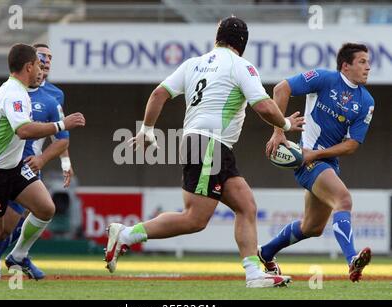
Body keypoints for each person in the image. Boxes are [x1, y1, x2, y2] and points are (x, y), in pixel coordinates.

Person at [104, 16, 304, 288]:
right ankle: (127, 234)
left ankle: (254, 274)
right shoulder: (241, 65)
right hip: (209, 144)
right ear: (242, 44)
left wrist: (148, 129)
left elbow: (157, 94)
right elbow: (264, 106)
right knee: (195, 219)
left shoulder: (193, 64)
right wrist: (287, 124)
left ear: (217, 38)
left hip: (208, 145)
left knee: (246, 206)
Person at [0, 43, 85, 285]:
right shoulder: (14, 94)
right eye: (39, 65)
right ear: (29, 67)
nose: (42, 69)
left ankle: (19, 255)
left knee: (46, 208)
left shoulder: (20, 91)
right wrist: (62, 126)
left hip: (14, 167)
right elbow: (23, 131)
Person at [258, 43, 373, 282]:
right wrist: (279, 131)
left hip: (322, 161)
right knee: (344, 199)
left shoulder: (366, 101)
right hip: (305, 160)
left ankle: (266, 252)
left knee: (312, 227)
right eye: (362, 62)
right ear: (345, 65)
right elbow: (282, 88)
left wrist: (316, 155)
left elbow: (352, 144)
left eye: (368, 62)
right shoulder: (323, 78)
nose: (368, 67)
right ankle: (352, 260)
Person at [34, 43, 75, 186]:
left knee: (40, 207)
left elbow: (58, 132)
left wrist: (65, 162)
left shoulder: (55, 95)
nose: (47, 61)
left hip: (31, 161)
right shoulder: (12, 89)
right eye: (42, 56)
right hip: (2, 160)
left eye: (50, 57)